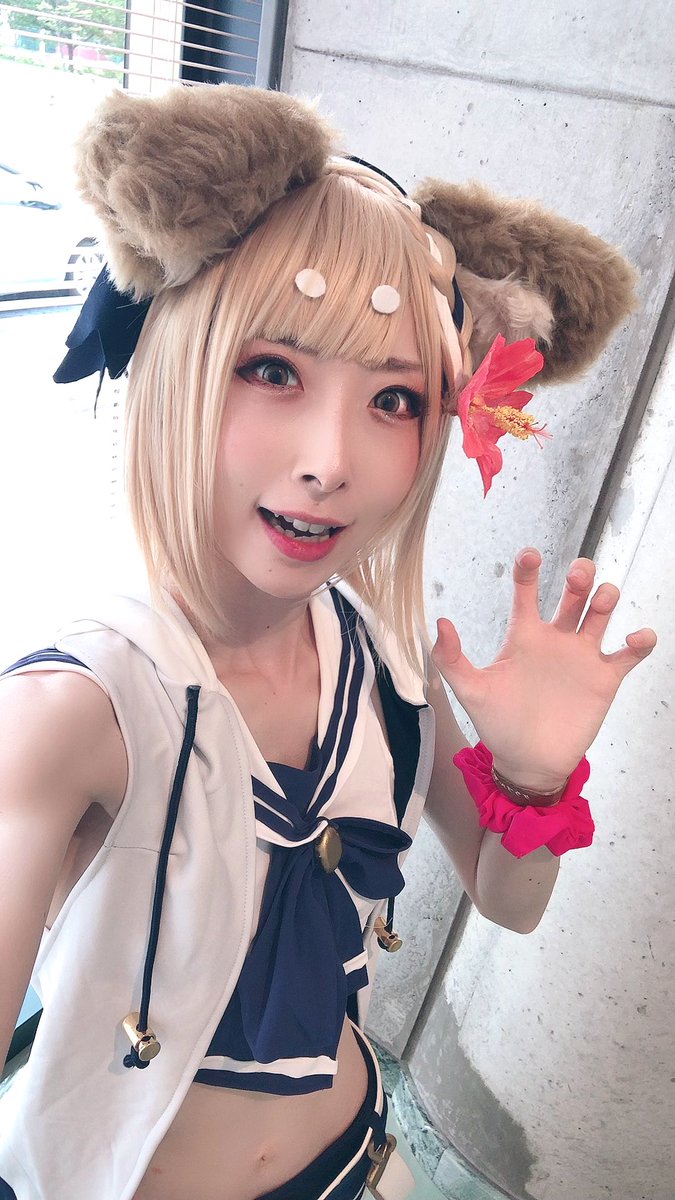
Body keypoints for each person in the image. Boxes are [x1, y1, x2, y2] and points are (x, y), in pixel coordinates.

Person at [0, 83, 656, 1200]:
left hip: (363, 1160)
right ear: (176, 366)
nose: (331, 462)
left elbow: (509, 902)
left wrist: (534, 777)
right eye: (273, 371)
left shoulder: (384, 662)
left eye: (394, 400)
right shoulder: (75, 710)